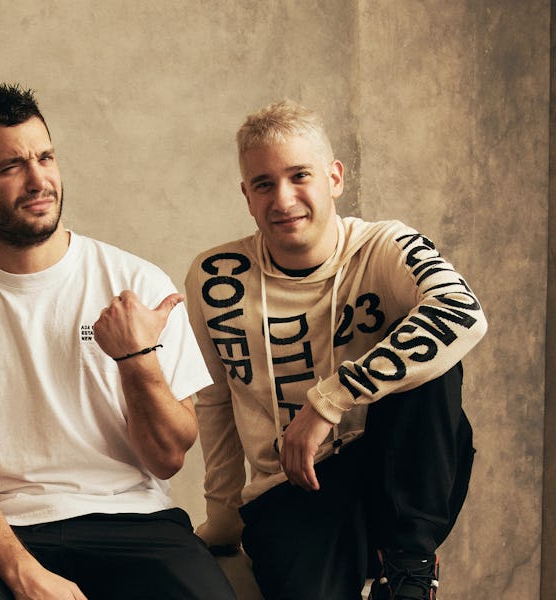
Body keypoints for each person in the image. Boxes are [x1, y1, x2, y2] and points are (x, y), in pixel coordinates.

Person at [0, 83, 237, 600]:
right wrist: (23, 573)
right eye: (12, 166)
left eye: (46, 157)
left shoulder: (137, 284)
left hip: (137, 519)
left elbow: (168, 459)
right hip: (8, 528)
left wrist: (136, 358)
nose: (39, 180)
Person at [184, 100, 487, 600]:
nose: (283, 200)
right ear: (247, 195)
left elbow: (463, 312)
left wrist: (329, 400)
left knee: (435, 352)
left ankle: (410, 568)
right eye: (263, 184)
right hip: (289, 493)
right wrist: (222, 518)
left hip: (395, 477)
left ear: (335, 178)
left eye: (299, 176)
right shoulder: (216, 277)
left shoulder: (385, 246)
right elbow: (217, 397)